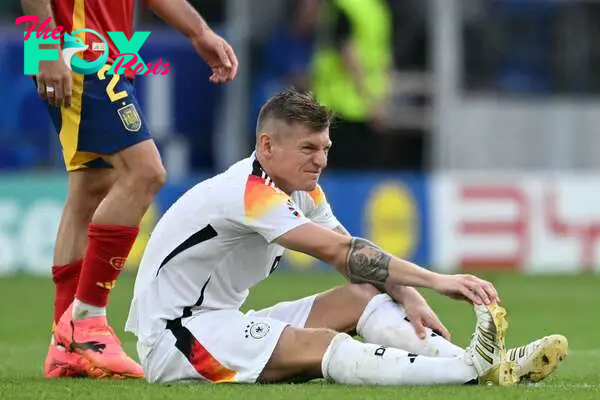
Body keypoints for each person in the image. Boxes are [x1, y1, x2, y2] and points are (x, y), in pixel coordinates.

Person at [125, 89, 567, 386]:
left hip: (220, 319)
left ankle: (482, 363)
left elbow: (350, 256)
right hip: (177, 339)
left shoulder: (301, 189)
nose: (320, 160)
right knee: (322, 344)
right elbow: (342, 251)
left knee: (361, 297)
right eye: (308, 149)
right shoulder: (247, 193)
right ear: (267, 146)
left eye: (325, 149)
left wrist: (408, 295)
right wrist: (437, 281)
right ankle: (466, 371)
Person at [20, 0, 238, 379]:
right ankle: (86, 322)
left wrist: (198, 32)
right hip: (75, 47)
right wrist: (46, 46)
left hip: (113, 50)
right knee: (146, 172)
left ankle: (66, 347)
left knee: (92, 186)